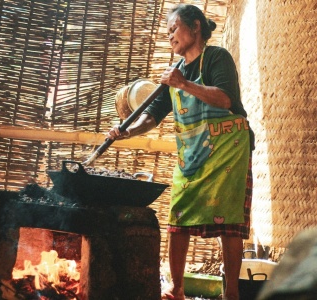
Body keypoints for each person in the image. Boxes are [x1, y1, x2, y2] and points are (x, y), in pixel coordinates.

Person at [106, 4, 254, 300]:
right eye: (168, 31)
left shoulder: (215, 58)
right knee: (179, 214)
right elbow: (152, 117)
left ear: (195, 26)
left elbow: (225, 99)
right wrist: (128, 131)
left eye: (173, 28)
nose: (169, 35)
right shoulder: (173, 76)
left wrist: (183, 83)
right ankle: (176, 288)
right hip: (194, 154)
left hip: (229, 150)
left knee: (230, 222)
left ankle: (232, 293)